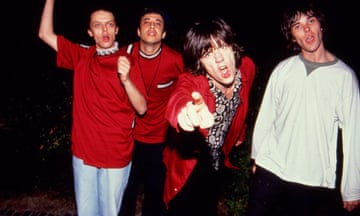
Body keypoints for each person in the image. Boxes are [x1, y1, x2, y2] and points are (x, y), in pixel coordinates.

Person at [248, 2, 360, 216]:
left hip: (310, 178)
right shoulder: (283, 70)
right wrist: (257, 157)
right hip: (270, 168)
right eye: (297, 26)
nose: (306, 28)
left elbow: (354, 135)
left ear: (321, 26)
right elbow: (267, 116)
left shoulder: (344, 77)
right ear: (292, 36)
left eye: (311, 20)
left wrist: (352, 188)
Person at [38, 0, 147, 215]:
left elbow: (142, 108)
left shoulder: (128, 60)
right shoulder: (81, 56)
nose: (104, 30)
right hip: (83, 153)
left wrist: (126, 80)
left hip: (115, 154)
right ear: (90, 32)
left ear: (116, 30)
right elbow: (44, 34)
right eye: (97, 25)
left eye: (109, 24)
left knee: (109, 212)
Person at [162, 18, 256, 216]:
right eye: (208, 54)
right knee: (182, 207)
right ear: (200, 63)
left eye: (222, 47)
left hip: (218, 155)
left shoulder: (247, 67)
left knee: (207, 205)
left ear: (233, 47)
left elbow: (243, 103)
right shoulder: (194, 80)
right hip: (191, 161)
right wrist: (185, 113)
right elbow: (180, 96)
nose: (219, 59)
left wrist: (240, 133)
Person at [118, 7, 184, 216]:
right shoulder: (123, 56)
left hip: (160, 141)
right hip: (128, 139)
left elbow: (189, 88)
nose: (152, 25)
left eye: (158, 22)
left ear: (164, 34)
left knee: (155, 199)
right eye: (147, 21)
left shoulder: (176, 60)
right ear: (138, 31)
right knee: (124, 195)